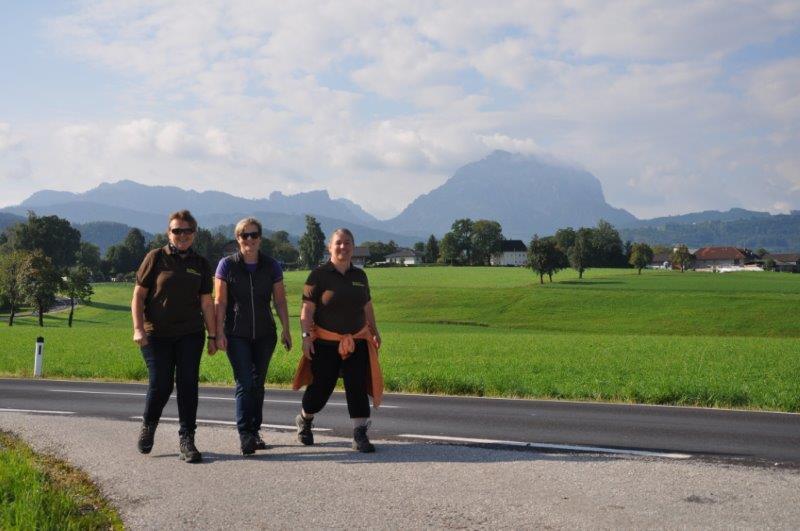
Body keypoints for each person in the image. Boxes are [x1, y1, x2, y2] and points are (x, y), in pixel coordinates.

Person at [131, 210, 216, 463]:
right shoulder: (155, 257)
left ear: (194, 234)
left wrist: (213, 335)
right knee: (161, 383)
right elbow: (138, 296)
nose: (182, 235)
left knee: (188, 384)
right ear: (168, 233)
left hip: (190, 333)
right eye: (176, 230)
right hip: (156, 334)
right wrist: (138, 328)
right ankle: (149, 425)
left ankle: (187, 440)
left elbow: (206, 303)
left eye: (187, 230)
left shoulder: (200, 264)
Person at [292, 228, 383, 452]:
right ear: (329, 247)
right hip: (325, 343)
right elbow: (307, 310)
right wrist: (306, 337)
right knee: (321, 389)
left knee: (357, 385)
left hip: (357, 341)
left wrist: (374, 330)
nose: (343, 247)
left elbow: (367, 306)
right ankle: (305, 420)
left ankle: (360, 433)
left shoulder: (360, 276)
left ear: (353, 247)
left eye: (347, 242)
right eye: (339, 243)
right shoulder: (318, 276)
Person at [214, 217, 292, 455]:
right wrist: (218, 332)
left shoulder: (271, 265)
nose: (249, 239)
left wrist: (286, 329)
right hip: (236, 333)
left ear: (260, 238)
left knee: (258, 384)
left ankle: (255, 431)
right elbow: (220, 302)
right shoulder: (227, 265)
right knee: (245, 382)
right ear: (237, 239)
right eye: (244, 235)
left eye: (254, 235)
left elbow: (279, 300)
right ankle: (245, 433)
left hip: (265, 334)